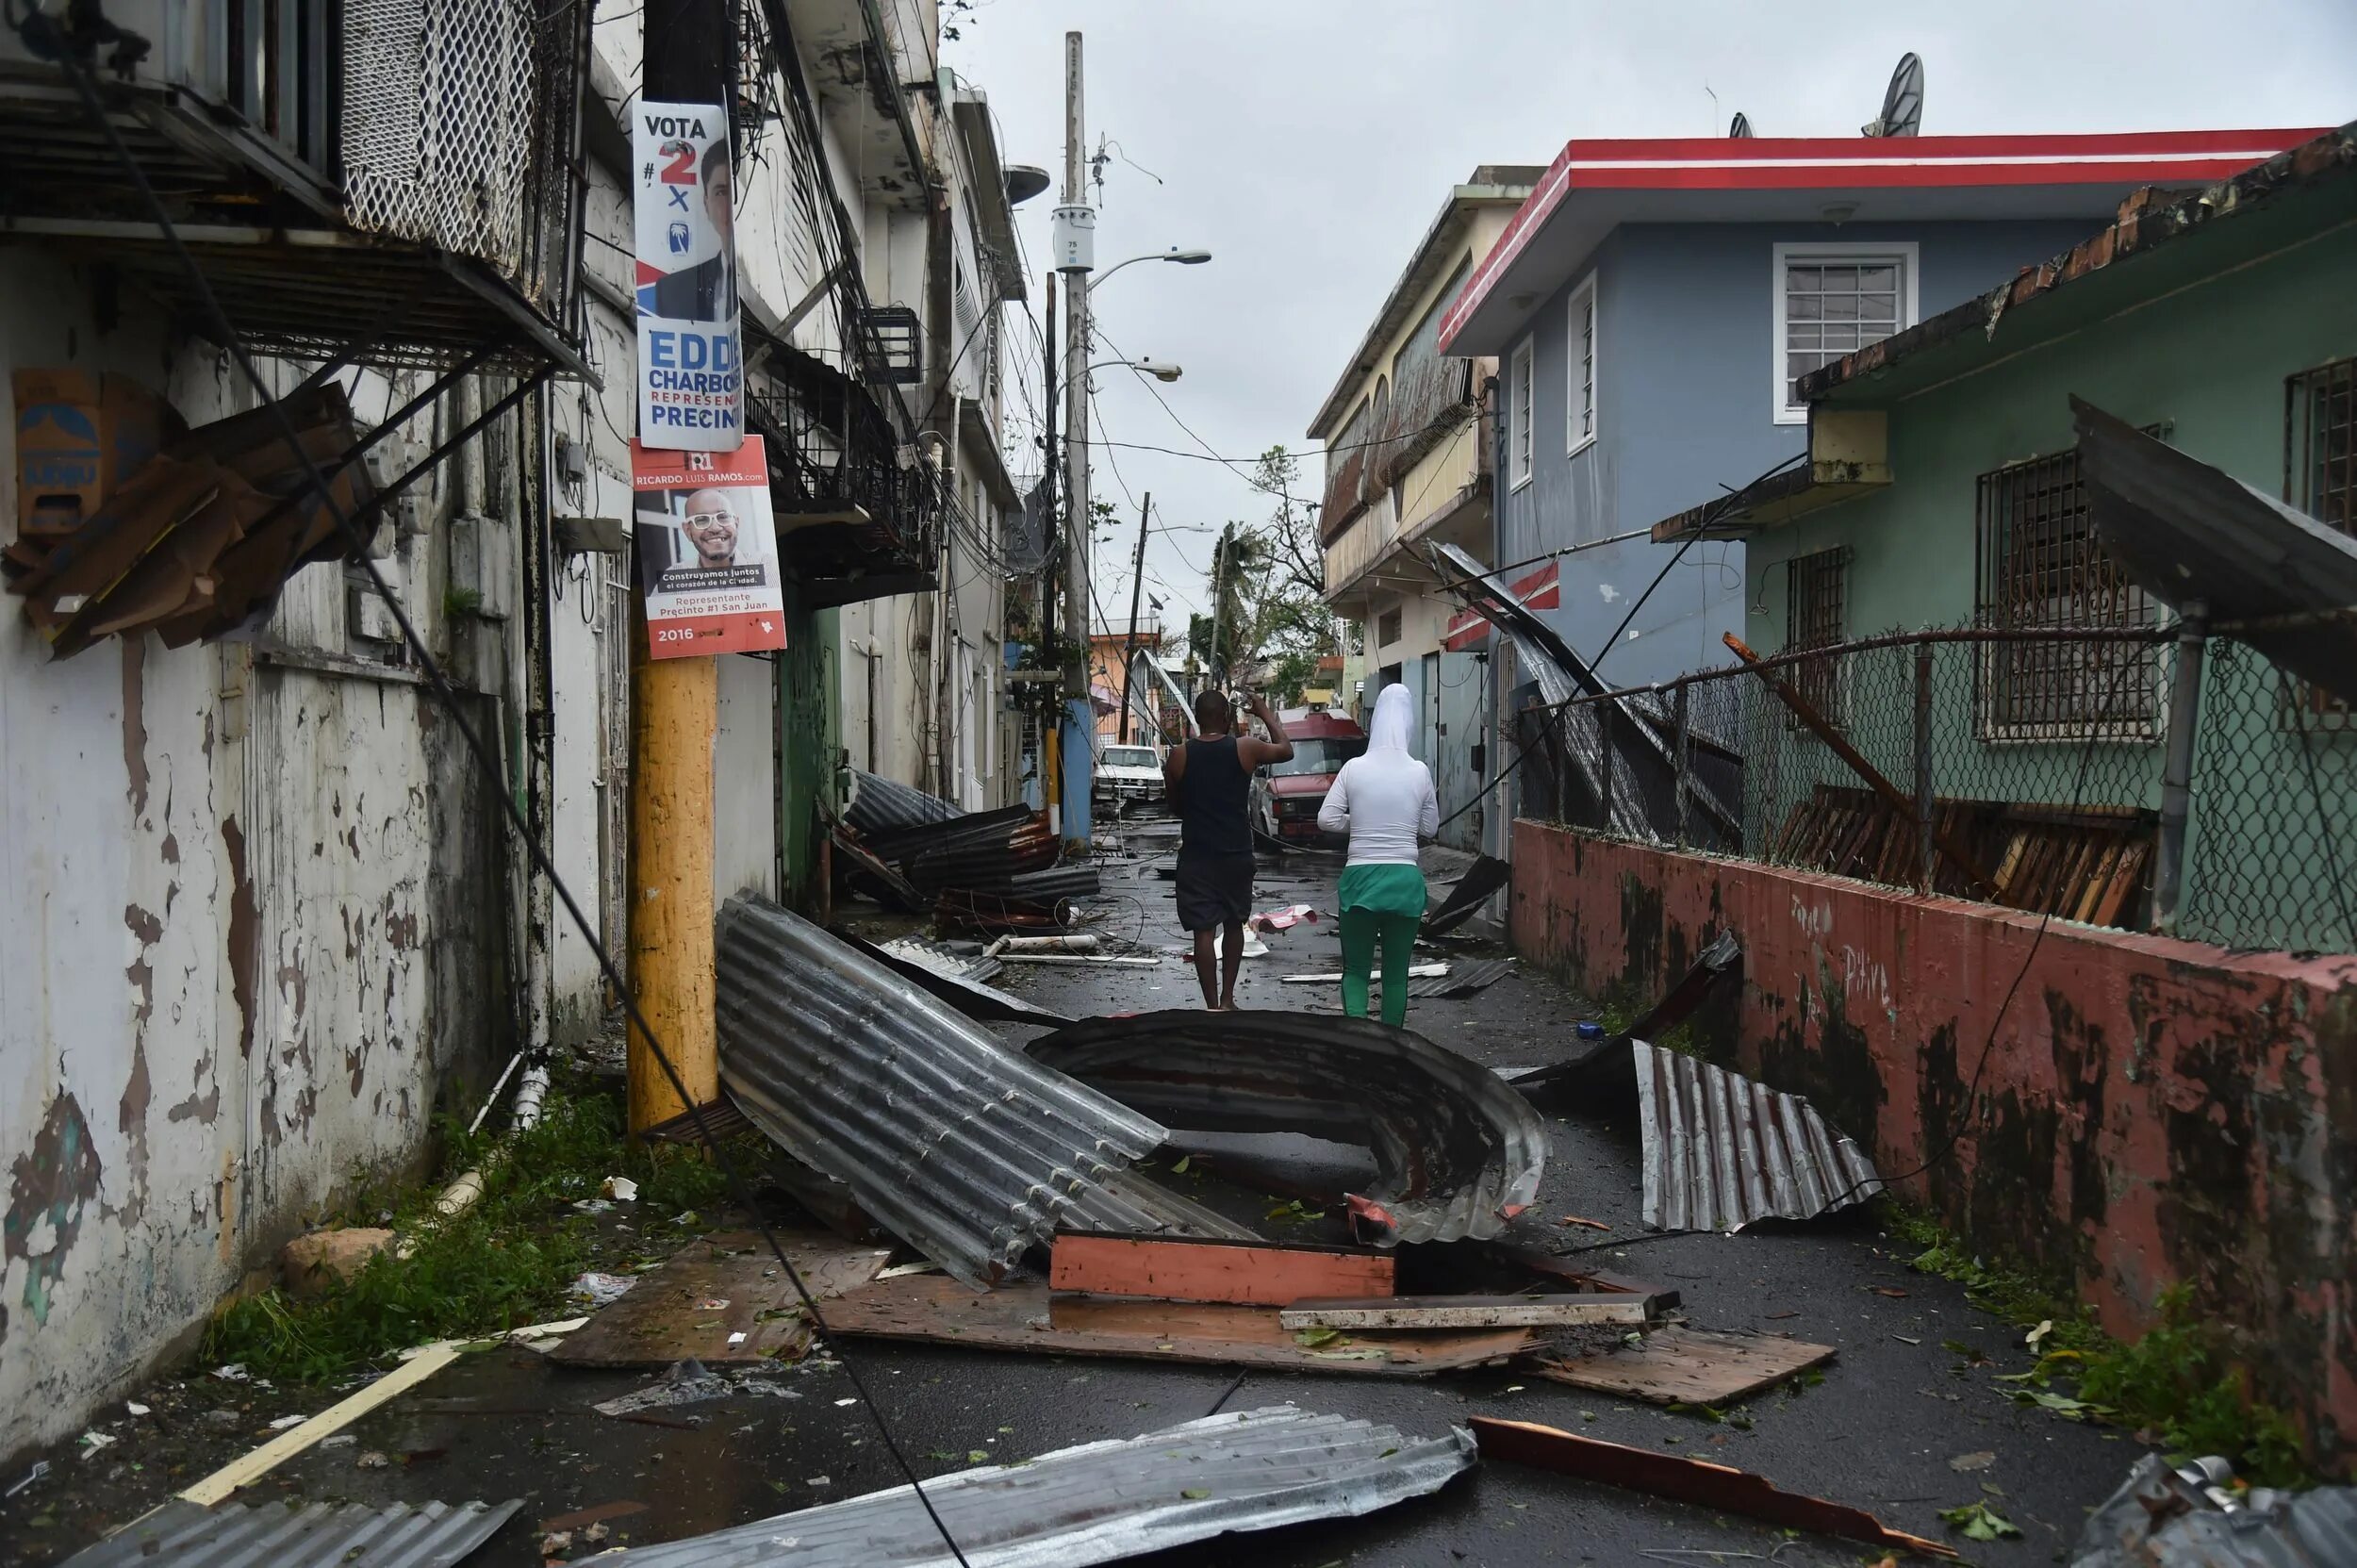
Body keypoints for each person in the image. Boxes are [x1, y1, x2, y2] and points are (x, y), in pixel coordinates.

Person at [1163, 688, 1292, 1009]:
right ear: (1225, 717)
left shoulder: (1180, 755)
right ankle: (1227, 999)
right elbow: (1286, 750)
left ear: (1197, 716)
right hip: (1235, 854)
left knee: (1203, 932)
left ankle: (1210, 1007)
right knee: (1233, 924)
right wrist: (1264, 713)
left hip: (1196, 855)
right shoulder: (1244, 748)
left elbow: (1174, 805)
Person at [1317, 684, 1438, 1027]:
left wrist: (1360, 822)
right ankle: (1392, 1046)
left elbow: (1326, 819)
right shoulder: (1419, 771)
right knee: (1396, 975)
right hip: (1404, 881)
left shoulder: (1354, 768)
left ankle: (1360, 1043)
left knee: (1356, 970)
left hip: (1360, 880)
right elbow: (1430, 827)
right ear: (1408, 721)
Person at [653, 140, 737, 322]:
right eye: (721, 193)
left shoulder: (766, 292)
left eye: (732, 194)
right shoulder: (672, 291)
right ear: (706, 203)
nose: (729, 206)